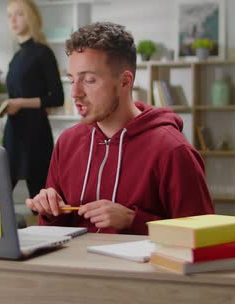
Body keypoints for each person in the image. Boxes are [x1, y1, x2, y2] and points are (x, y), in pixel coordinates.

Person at [25, 22, 214, 235]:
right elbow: (54, 234)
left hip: (136, 269)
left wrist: (133, 220)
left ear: (125, 82)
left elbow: (202, 237)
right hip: (73, 267)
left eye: (89, 80)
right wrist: (50, 212)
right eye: (72, 80)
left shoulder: (173, 150)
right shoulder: (67, 143)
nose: (75, 92)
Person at [2, 0, 64, 199]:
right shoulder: (16, 57)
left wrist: (20, 103)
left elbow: (57, 98)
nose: (13, 20)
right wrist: (4, 106)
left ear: (31, 17)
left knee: (41, 196)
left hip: (35, 133)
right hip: (13, 132)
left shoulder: (43, 53)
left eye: (19, 14)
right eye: (10, 15)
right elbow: (14, 96)